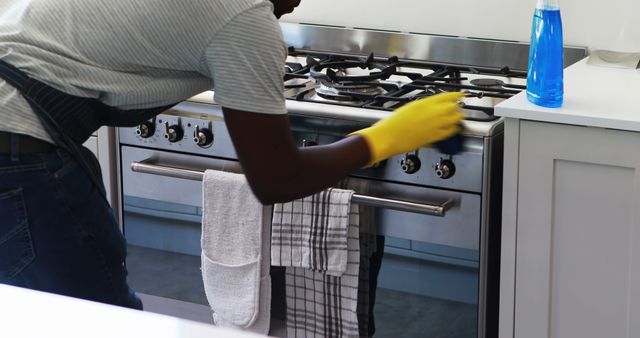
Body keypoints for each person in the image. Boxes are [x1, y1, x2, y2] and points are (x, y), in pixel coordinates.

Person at [0, 0, 463, 309]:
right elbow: (275, 179)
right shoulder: (242, 17)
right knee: (99, 323)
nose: (296, 5)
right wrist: (386, 138)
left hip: (18, 133)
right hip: (16, 148)